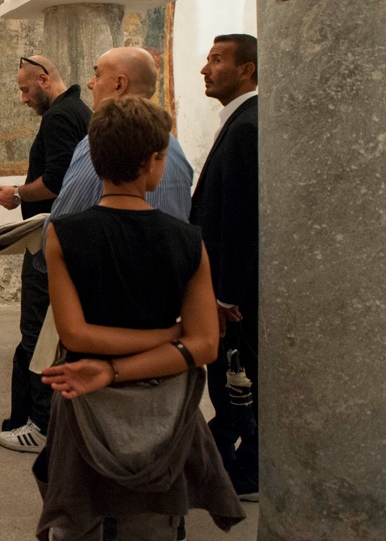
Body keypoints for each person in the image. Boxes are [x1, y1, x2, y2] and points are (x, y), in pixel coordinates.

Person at [36, 97, 244, 540]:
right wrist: (170, 336)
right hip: (162, 400)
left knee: (79, 516)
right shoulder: (188, 240)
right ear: (155, 162)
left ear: (94, 159)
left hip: (82, 393)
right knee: (153, 521)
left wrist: (108, 368)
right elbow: (203, 345)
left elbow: (75, 333)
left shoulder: (63, 233)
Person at [0, 55, 91, 453]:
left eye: (25, 88)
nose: (23, 98)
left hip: (51, 241)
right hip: (65, 238)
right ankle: (40, 418)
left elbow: (56, 181)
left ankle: (39, 424)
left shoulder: (60, 116)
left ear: (45, 80)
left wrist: (16, 193)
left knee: (37, 335)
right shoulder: (79, 111)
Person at [189, 33, 260, 501]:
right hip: (224, 287)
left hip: (232, 295)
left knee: (239, 382)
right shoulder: (239, 122)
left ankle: (248, 472)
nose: (205, 69)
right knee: (232, 383)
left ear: (247, 69)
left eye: (217, 60)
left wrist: (226, 294)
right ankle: (232, 464)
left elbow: (242, 218)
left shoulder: (248, 127)